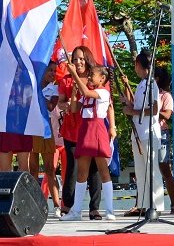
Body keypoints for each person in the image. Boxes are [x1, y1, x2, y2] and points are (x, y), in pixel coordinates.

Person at [59, 64, 116, 221]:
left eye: (93, 75)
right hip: (85, 130)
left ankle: (110, 210)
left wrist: (74, 75)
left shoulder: (103, 92)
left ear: (102, 78)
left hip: (97, 130)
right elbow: (75, 109)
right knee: (81, 172)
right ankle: (76, 211)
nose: (89, 77)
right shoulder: (87, 94)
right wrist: (74, 92)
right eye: (89, 75)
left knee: (103, 170)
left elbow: (86, 91)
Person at [58, 46, 103, 219]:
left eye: (81, 58)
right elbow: (61, 102)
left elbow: (107, 103)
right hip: (71, 129)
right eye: (75, 59)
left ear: (88, 59)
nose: (78, 62)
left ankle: (94, 208)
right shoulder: (66, 80)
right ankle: (67, 205)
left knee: (93, 168)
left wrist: (112, 126)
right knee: (72, 167)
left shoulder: (95, 79)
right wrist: (65, 105)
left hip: (91, 128)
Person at [122, 51, 165, 215]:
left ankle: (158, 206)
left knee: (151, 170)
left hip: (149, 133)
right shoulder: (141, 84)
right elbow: (136, 105)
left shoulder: (152, 84)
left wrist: (132, 111)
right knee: (140, 170)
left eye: (136, 64)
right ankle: (144, 204)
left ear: (140, 65)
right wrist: (128, 104)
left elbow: (154, 109)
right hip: (139, 133)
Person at [30, 61, 62, 218]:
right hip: (32, 127)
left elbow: (50, 106)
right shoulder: (32, 85)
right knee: (33, 169)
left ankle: (57, 204)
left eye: (54, 71)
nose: (52, 73)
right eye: (49, 70)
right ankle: (33, 203)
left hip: (47, 128)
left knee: (50, 168)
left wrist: (38, 94)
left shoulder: (54, 89)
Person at [154, 66, 174, 214]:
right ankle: (146, 204)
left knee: (165, 168)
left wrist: (152, 111)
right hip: (147, 133)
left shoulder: (165, 96)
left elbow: (167, 115)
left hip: (161, 133)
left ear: (157, 79)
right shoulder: (145, 93)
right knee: (146, 168)